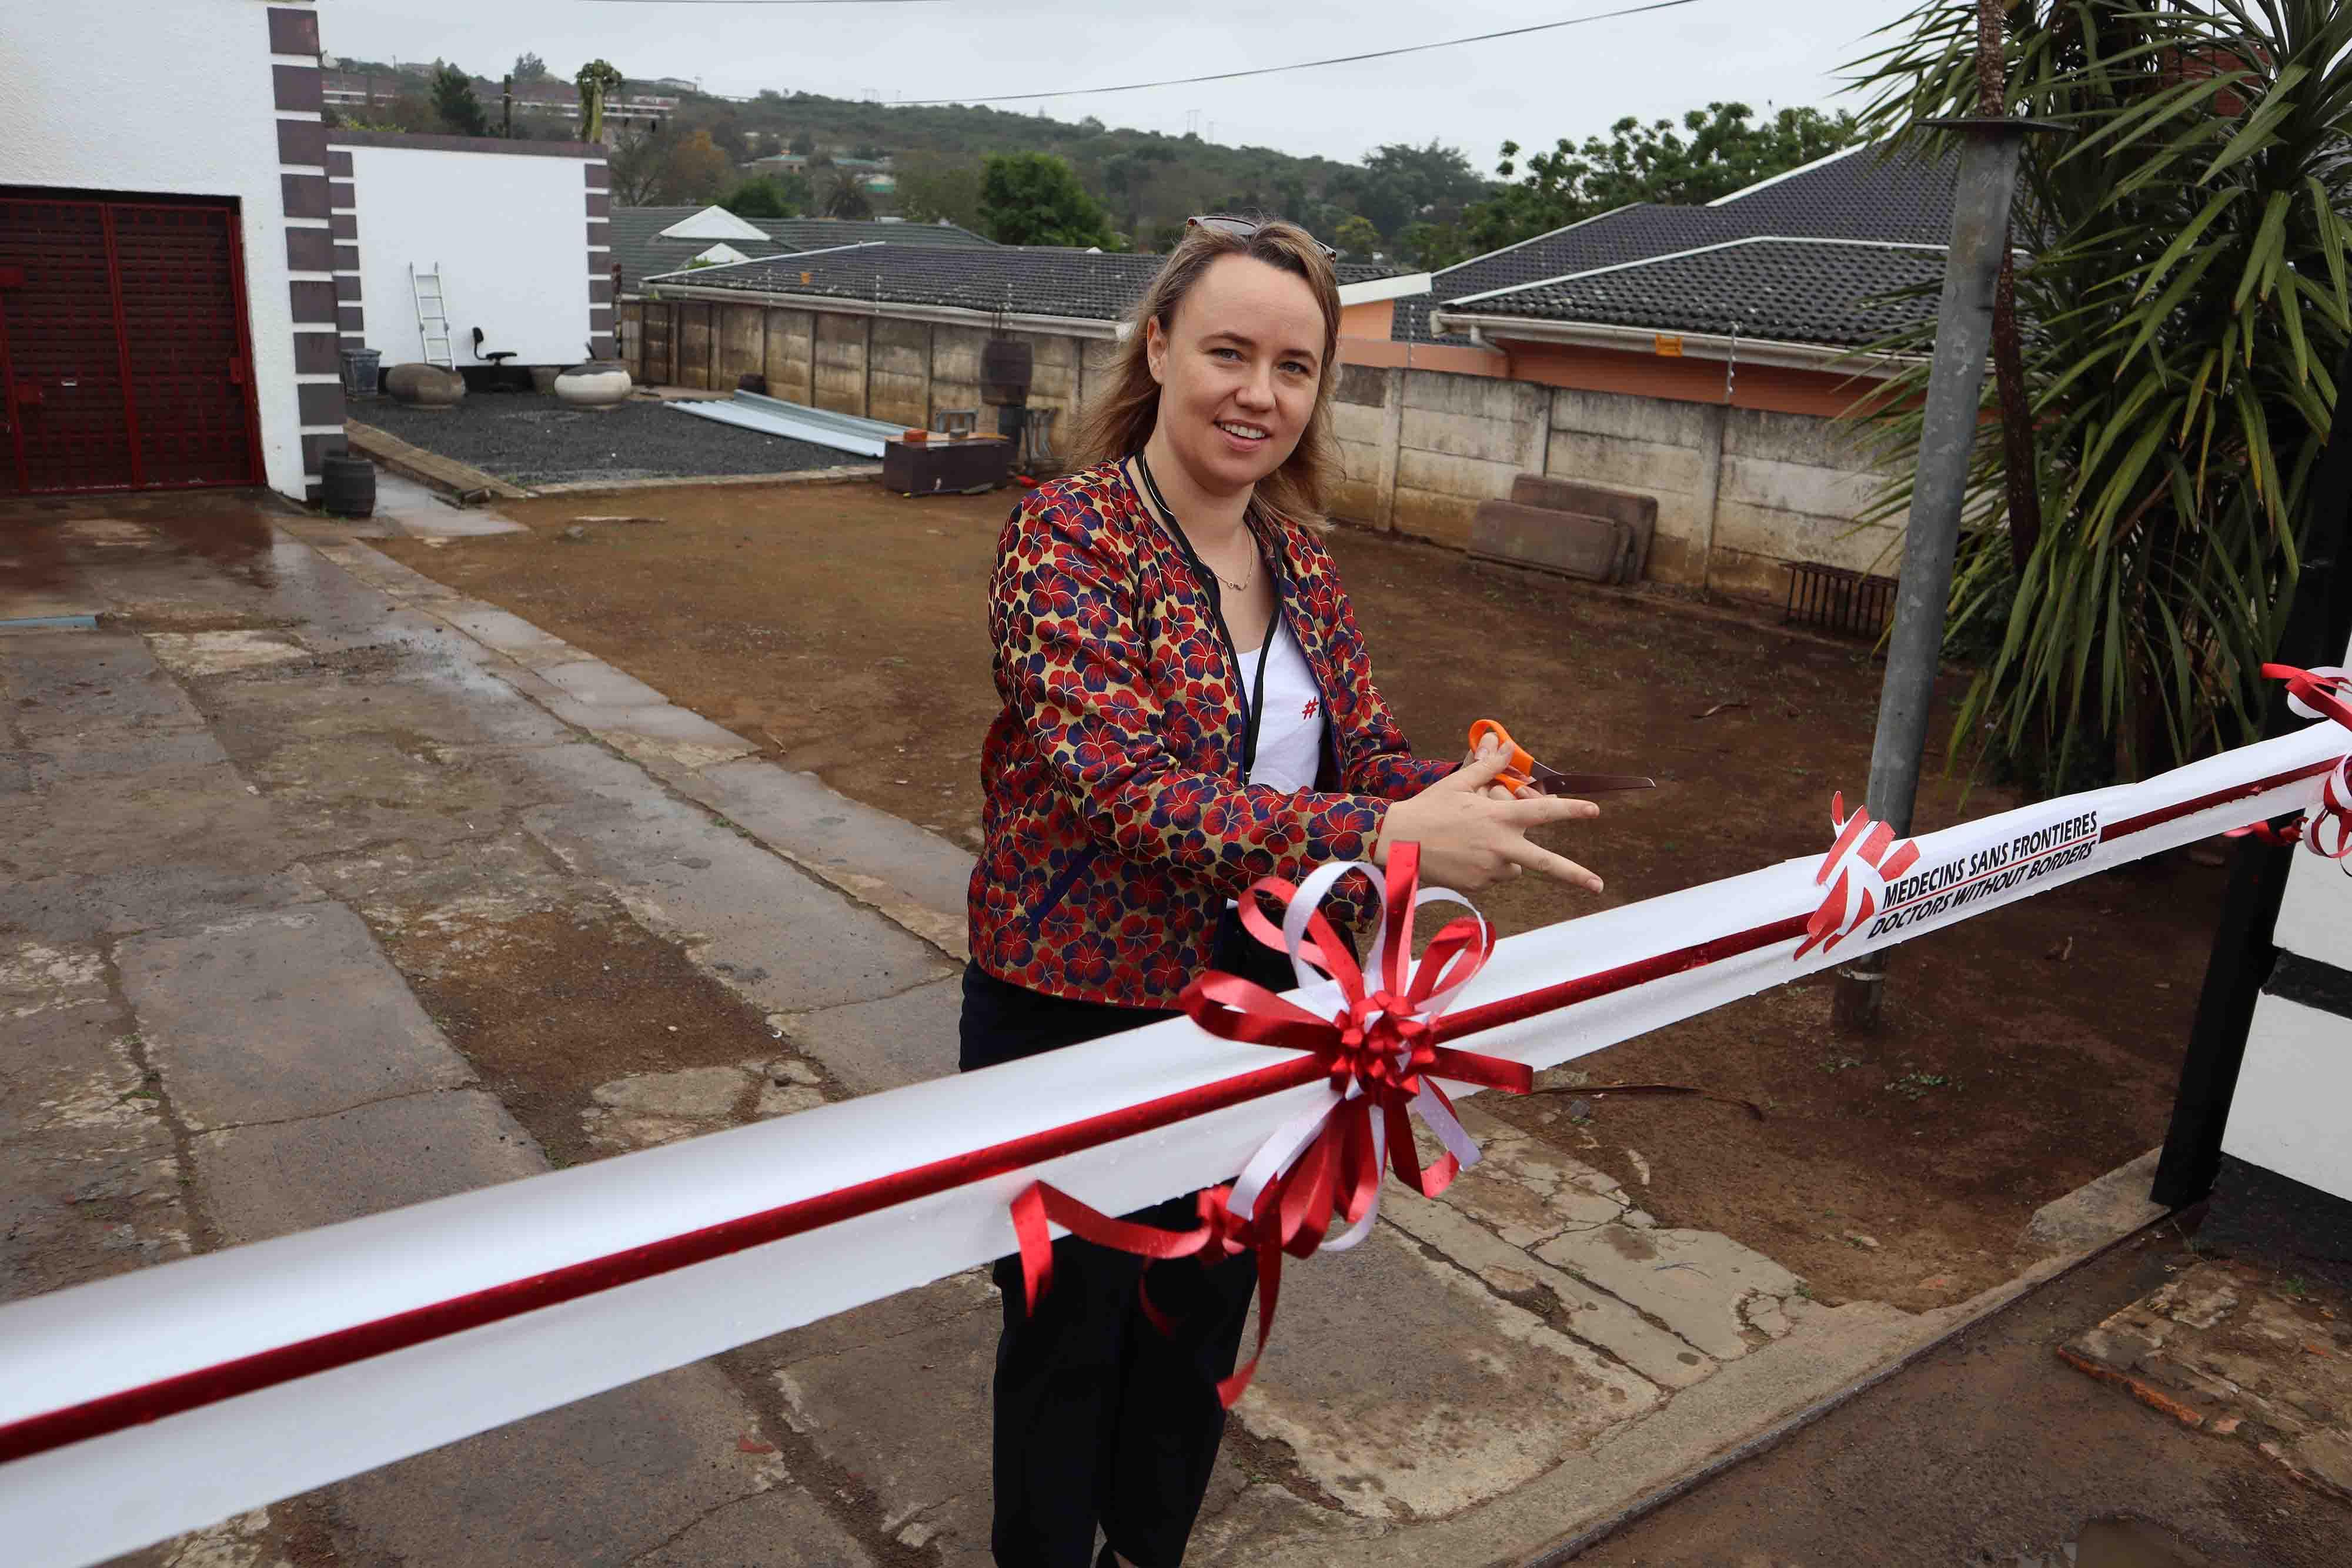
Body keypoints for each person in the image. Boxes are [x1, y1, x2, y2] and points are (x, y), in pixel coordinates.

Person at [961, 214, 1605, 1568]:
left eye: (1295, 365)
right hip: (1072, 1012)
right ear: (1157, 347)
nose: (1259, 392)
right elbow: (1125, 790)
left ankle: (1147, 1550)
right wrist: (1382, 828)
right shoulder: (1065, 537)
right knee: (1067, 1326)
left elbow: (1360, 752)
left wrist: (1460, 791)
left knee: (1196, 1311)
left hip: (1265, 1009)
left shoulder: (1301, 560)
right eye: (1229, 352)